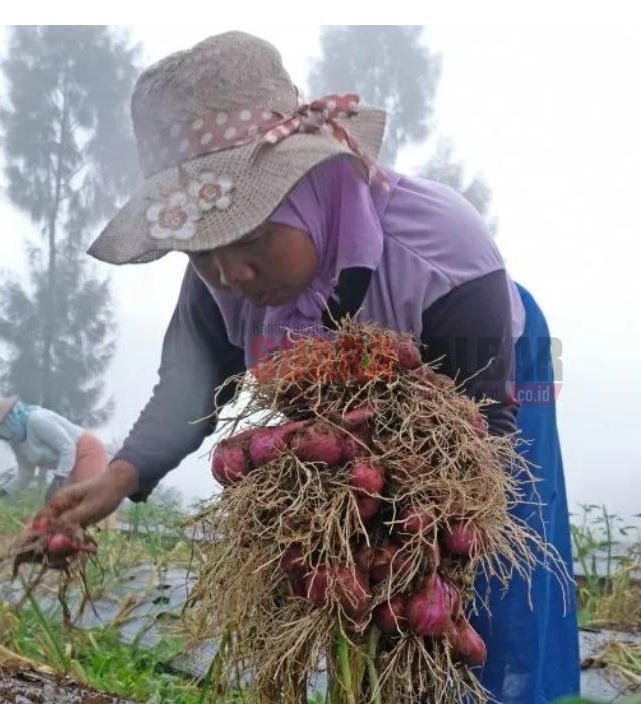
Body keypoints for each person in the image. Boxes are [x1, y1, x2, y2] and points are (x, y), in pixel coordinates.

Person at [33, 31, 580, 702]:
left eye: (253, 237)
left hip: (487, 379)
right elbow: (187, 391)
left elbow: (483, 436)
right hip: (348, 422)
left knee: (490, 559)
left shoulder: (442, 250)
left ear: (304, 188)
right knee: (346, 578)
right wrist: (118, 478)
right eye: (201, 251)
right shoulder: (221, 281)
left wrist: (420, 540)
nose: (231, 273)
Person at [0, 396, 112, 507]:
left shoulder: (37, 420)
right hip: (70, 464)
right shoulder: (17, 442)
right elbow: (24, 476)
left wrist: (57, 481)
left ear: (7, 422)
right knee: (67, 511)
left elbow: (67, 447)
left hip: (87, 452)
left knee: (89, 505)